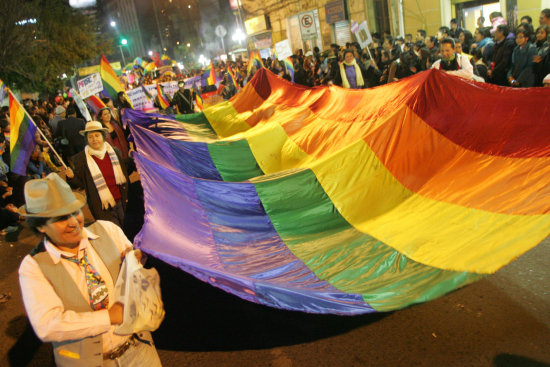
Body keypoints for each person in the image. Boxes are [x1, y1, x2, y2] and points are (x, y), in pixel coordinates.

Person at [18, 173, 162, 367]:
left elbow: (135, 272)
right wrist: (109, 317)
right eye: (61, 218)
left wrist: (136, 259)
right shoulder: (33, 266)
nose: (73, 222)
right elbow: (48, 324)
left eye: (74, 211)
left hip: (139, 349)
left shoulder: (107, 230)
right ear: (41, 226)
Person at [66, 121, 129, 227]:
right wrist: (71, 177)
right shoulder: (80, 159)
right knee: (114, 233)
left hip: (122, 200)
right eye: (90, 137)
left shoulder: (115, 152)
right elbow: (79, 184)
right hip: (102, 206)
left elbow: (127, 169)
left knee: (128, 228)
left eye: (97, 135)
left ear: (103, 137)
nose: (94, 139)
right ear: (86, 139)